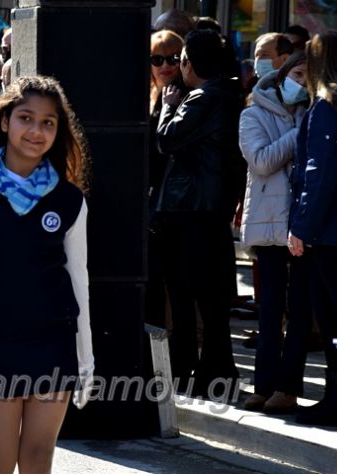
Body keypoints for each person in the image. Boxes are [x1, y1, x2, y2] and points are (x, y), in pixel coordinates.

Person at [0, 75, 94, 473]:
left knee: (38, 459)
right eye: (26, 118)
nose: (36, 131)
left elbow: (79, 280)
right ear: (5, 122)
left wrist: (85, 356)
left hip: (53, 339)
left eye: (48, 122)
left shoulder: (69, 199)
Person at [156, 28, 242, 398]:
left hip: (189, 210)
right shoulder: (229, 93)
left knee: (187, 293)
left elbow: (167, 138)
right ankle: (214, 369)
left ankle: (198, 368)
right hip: (211, 209)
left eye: (180, 61)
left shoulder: (202, 98)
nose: (176, 67)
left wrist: (166, 106)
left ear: (191, 63)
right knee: (210, 296)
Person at [289, 31, 337, 427]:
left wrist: (302, 227)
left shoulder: (328, 103)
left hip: (331, 232)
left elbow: (318, 173)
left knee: (336, 317)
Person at [239, 52, 311, 413]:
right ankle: (262, 384)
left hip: (301, 225)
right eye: (298, 74)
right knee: (269, 311)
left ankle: (287, 388)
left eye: (309, 78)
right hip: (269, 226)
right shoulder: (253, 114)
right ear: (283, 75)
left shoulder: (312, 111)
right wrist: (300, 134)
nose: (303, 83)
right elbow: (262, 160)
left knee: (299, 311)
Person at [146, 29, 184, 329]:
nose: (165, 66)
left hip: (175, 208)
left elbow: (163, 146)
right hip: (152, 204)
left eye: (173, 58)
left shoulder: (185, 99)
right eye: (157, 59)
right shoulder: (149, 97)